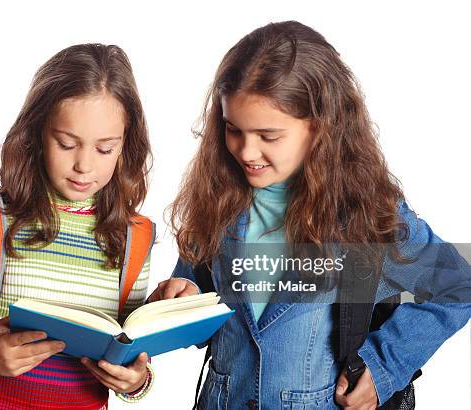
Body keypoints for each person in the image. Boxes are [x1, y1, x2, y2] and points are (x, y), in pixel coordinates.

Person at [148, 21, 471, 409]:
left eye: (269, 136)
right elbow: (198, 293)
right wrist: (184, 296)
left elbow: (457, 285)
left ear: (319, 128)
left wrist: (383, 368)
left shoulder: (364, 215)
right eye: (234, 130)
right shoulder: (219, 200)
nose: (247, 152)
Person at [0, 43, 155, 409]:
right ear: (38, 132)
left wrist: (136, 381)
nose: (84, 165)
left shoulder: (134, 237)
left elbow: (128, 349)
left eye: (105, 149)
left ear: (126, 145)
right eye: (66, 143)